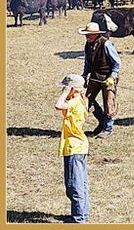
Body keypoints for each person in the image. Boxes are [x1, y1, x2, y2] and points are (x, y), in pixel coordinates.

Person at [55, 74, 90, 223]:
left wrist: (65, 92)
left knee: (73, 185)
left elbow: (58, 105)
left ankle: (78, 219)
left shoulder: (75, 101)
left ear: (73, 88)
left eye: (66, 87)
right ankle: (82, 214)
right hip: (80, 147)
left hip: (73, 148)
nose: (63, 89)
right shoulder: (81, 100)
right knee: (81, 183)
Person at [80, 22, 122, 140]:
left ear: (96, 34)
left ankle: (107, 129)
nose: (87, 37)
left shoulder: (106, 44)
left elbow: (117, 63)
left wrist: (112, 77)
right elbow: (87, 62)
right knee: (88, 100)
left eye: (90, 35)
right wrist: (84, 74)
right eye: (86, 34)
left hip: (108, 77)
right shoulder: (87, 45)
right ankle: (102, 122)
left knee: (109, 103)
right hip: (94, 77)